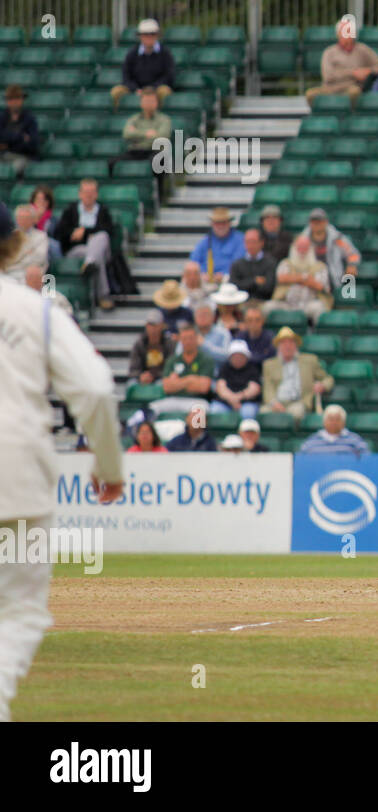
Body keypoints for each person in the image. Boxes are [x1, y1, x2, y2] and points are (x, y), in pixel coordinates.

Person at [0, 201, 123, 722]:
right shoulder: (34, 309)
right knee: (16, 613)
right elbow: (96, 390)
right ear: (12, 244)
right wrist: (110, 468)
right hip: (17, 476)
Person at [51, 179, 115, 311]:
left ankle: (89, 262)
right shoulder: (71, 210)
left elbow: (109, 231)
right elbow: (60, 232)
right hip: (77, 250)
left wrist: (85, 232)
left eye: (92, 192)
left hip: (101, 248)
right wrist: (73, 233)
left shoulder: (103, 210)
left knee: (101, 237)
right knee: (97, 258)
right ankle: (103, 296)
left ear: (96, 194)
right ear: (80, 194)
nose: (89, 195)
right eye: (86, 192)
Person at [305, 17, 378, 108]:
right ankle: (320, 117)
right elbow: (328, 76)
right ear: (338, 34)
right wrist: (353, 73)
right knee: (310, 94)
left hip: (351, 87)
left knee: (355, 92)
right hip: (330, 88)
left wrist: (368, 71)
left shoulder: (363, 50)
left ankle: (350, 118)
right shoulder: (329, 52)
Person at [261, 327, 334, 422]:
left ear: (296, 345)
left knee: (295, 413)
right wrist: (274, 403)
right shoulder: (269, 364)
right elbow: (268, 388)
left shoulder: (310, 360)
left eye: (291, 342)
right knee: (263, 413)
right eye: (283, 343)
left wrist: (322, 385)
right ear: (278, 346)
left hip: (299, 402)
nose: (287, 346)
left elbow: (328, 379)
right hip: (276, 402)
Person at [264, 235, 332, 325]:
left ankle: (316, 336)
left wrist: (292, 278)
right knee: (267, 307)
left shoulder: (320, 266)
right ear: (294, 248)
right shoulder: (286, 263)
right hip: (286, 304)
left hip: (308, 304)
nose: (302, 250)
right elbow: (281, 278)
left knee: (319, 308)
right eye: (299, 247)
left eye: (305, 247)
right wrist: (304, 278)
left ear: (311, 249)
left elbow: (320, 286)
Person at [152, 322, 215, 415]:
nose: (188, 341)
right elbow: (166, 387)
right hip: (173, 400)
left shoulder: (206, 359)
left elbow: (204, 387)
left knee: (199, 412)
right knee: (151, 409)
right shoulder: (173, 360)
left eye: (191, 338)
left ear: (197, 339)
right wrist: (190, 380)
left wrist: (177, 382)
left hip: (197, 400)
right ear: (180, 340)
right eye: (184, 339)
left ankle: (197, 430)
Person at [111, 18, 174, 109]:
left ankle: (159, 118)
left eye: (152, 34)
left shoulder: (165, 53)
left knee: (165, 91)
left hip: (156, 89)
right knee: (116, 91)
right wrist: (135, 89)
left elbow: (169, 76)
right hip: (136, 89)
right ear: (140, 36)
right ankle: (118, 117)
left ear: (157, 35)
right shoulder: (132, 53)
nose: (149, 37)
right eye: (145, 34)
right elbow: (126, 76)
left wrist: (152, 89)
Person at [300, 208, 360, 291]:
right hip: (309, 276)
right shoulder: (302, 240)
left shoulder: (337, 238)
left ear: (326, 222)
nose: (316, 224)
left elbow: (353, 253)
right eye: (314, 221)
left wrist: (352, 264)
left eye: (319, 221)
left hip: (331, 277)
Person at [189, 207, 246, 286]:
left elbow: (239, 264)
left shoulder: (240, 239)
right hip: (206, 281)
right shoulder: (205, 241)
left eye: (223, 222)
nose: (220, 226)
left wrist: (224, 274)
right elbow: (194, 262)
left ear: (229, 223)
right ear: (212, 224)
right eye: (217, 223)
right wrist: (203, 274)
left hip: (230, 280)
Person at [210, 340, 262, 419]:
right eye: (235, 356)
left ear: (246, 357)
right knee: (215, 410)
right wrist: (231, 399)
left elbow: (254, 389)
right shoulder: (225, 368)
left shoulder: (253, 369)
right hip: (225, 402)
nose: (238, 358)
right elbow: (220, 387)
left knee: (248, 413)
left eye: (241, 355)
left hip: (247, 403)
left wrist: (238, 397)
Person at [0, 84, 40, 177]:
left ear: (22, 100)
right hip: (3, 155)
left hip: (23, 156)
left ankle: (17, 187)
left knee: (18, 165)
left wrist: (7, 144)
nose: (14, 102)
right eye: (11, 99)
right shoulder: (2, 118)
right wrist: (21, 137)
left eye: (17, 98)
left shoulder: (30, 119)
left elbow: (33, 144)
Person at [126, 309, 174, 385]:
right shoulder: (139, 344)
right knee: (131, 384)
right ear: (146, 326)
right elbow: (133, 368)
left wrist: (153, 376)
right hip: (141, 378)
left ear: (162, 326)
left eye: (156, 325)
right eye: (150, 325)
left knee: (161, 384)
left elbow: (170, 367)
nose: (153, 329)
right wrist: (140, 376)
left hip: (161, 378)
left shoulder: (169, 344)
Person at [229, 228, 278, 303]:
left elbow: (268, 288)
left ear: (262, 242)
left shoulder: (270, 263)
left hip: (263, 302)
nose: (250, 245)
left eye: (253, 242)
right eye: (248, 242)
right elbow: (234, 287)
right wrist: (254, 281)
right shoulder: (237, 264)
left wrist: (244, 283)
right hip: (241, 302)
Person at [299, 404, 370, 455]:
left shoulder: (355, 440)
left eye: (337, 419)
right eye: (331, 419)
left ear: (344, 422)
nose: (334, 422)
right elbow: (301, 460)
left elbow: (367, 459)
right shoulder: (311, 441)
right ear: (324, 421)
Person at [4, 205, 49, 280]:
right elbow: (6, 258)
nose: (23, 220)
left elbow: (39, 259)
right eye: (20, 217)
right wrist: (27, 252)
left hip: (31, 274)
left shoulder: (41, 236)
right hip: (10, 272)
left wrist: (18, 258)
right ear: (16, 219)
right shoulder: (10, 236)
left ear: (33, 220)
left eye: (26, 218)